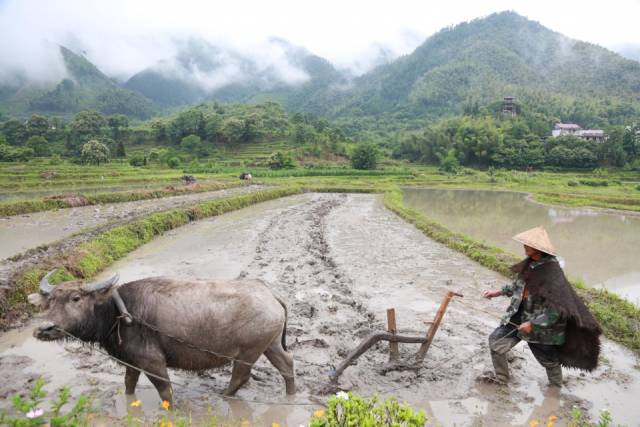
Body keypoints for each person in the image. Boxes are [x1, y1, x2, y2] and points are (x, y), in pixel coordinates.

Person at [481, 226, 602, 386]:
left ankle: (556, 388)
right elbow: (518, 286)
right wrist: (497, 292)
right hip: (518, 315)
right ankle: (502, 380)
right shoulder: (529, 264)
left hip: (542, 326)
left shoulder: (552, 273)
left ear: (538, 248)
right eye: (524, 243)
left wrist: (533, 324)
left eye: (528, 244)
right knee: (496, 342)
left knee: (548, 360)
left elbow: (558, 309)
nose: (524, 246)